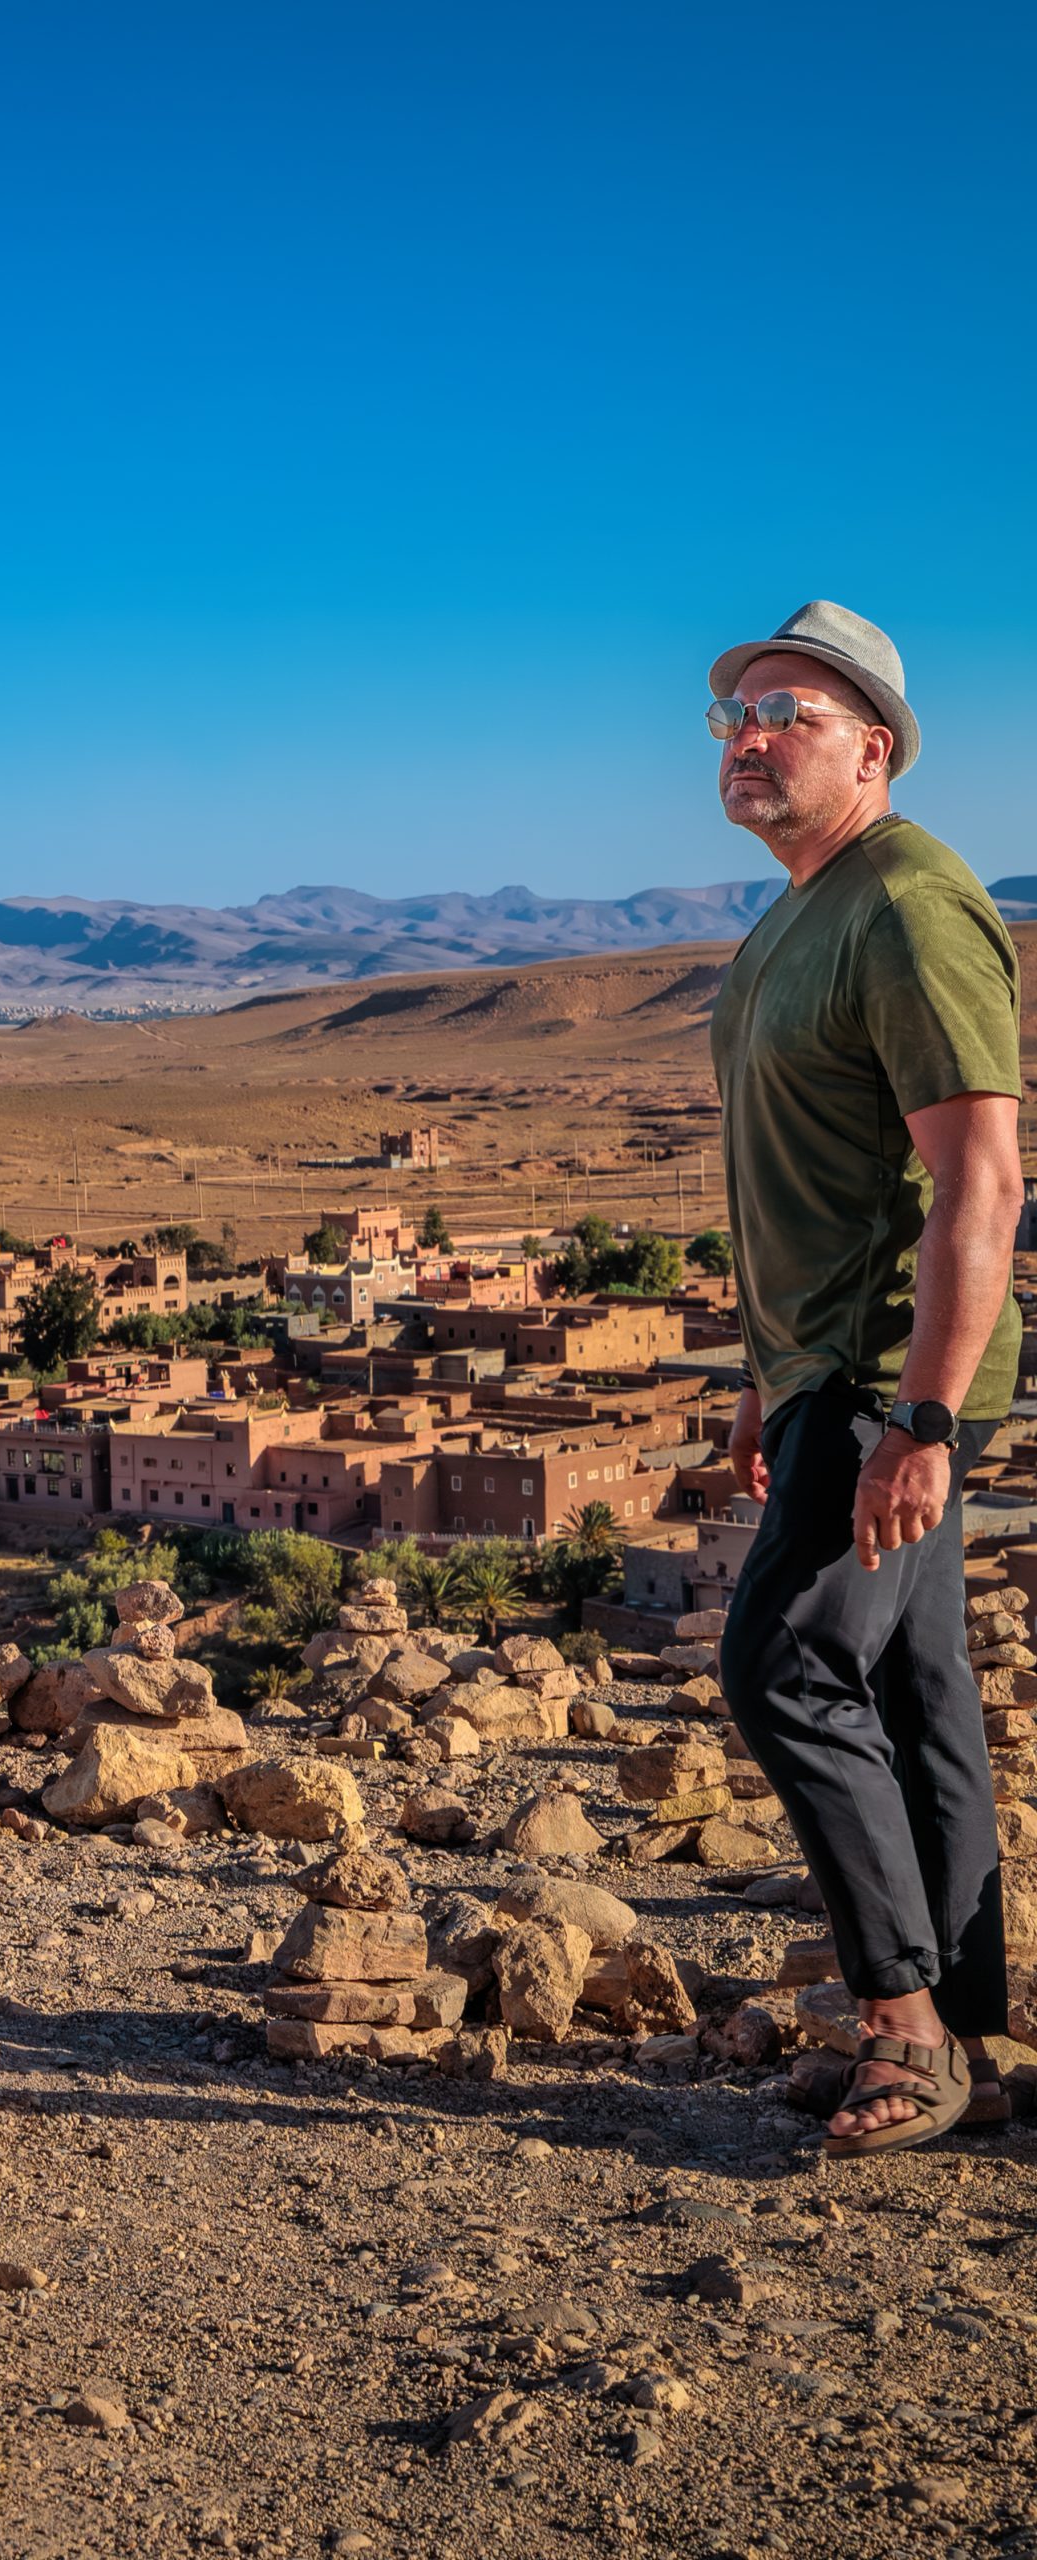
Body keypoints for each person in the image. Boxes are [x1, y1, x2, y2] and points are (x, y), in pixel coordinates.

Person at [709, 601, 1024, 2158]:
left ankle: (900, 2017)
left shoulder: (908, 902)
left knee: (783, 1667)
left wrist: (924, 1416)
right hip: (824, 1373)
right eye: (738, 715)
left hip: (886, 1380)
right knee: (910, 1686)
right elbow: (810, 1176)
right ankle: (969, 2022)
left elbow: (980, 1180)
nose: (752, 739)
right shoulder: (801, 912)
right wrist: (764, 1378)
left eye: (792, 715)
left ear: (874, 750)